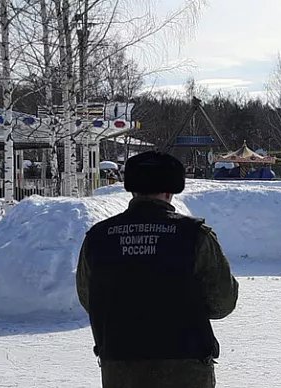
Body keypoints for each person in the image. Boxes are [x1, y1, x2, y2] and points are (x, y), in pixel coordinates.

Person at [75, 151, 239, 388]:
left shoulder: (98, 237)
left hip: (120, 367)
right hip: (185, 367)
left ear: (132, 190)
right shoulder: (194, 236)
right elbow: (223, 302)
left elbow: (88, 298)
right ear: (170, 191)